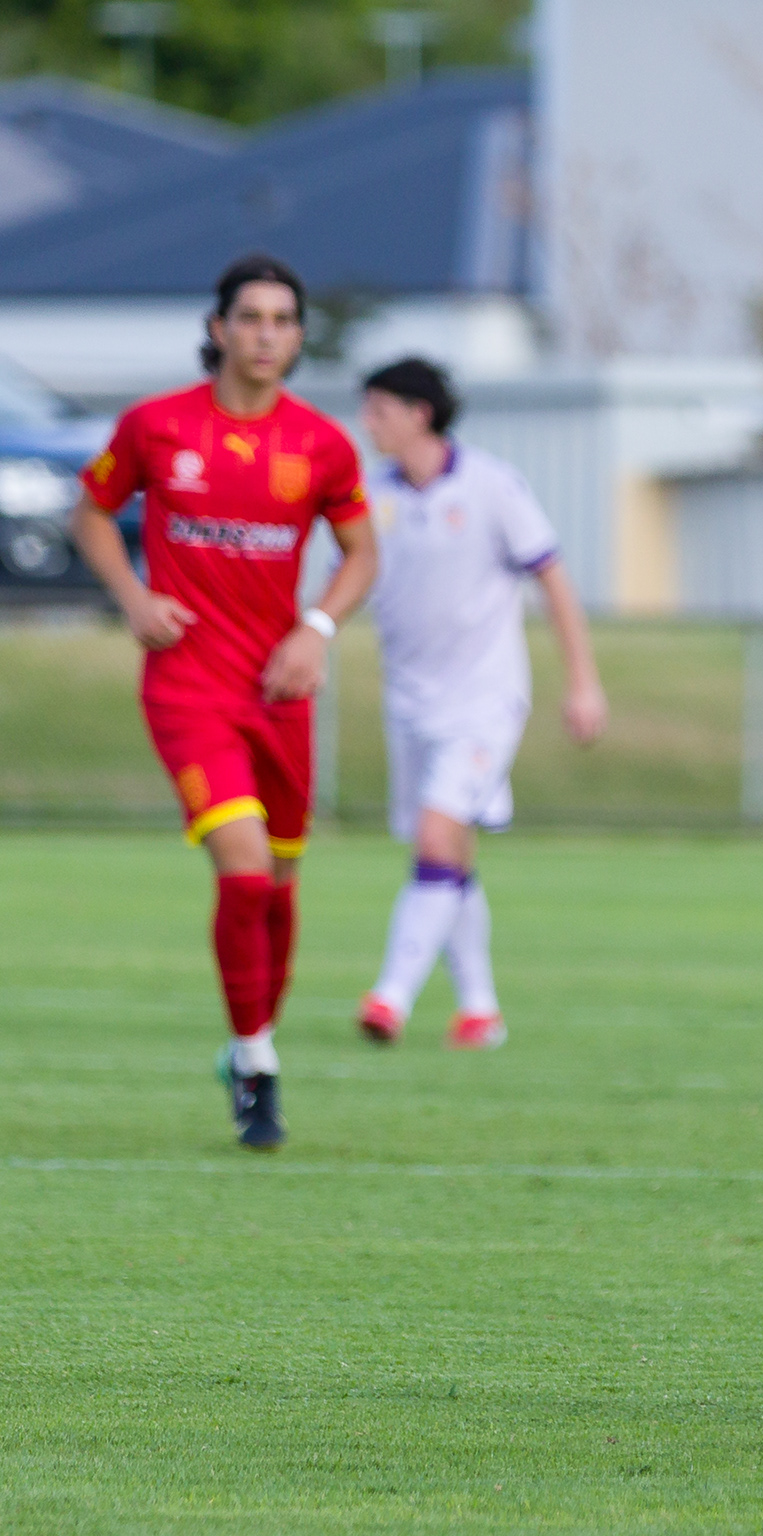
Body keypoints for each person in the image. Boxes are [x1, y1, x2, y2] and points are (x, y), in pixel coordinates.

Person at [68, 252, 376, 1151]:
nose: (266, 334)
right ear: (219, 329)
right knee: (241, 871)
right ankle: (255, 1061)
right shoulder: (157, 426)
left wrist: (316, 627)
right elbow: (90, 512)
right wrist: (133, 598)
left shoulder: (321, 445)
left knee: (276, 889)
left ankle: (253, 1035)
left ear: (299, 336)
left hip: (279, 692)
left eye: (282, 320)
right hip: (188, 687)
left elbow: (362, 552)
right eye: (250, 318)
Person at [353, 357, 606, 1050]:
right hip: (409, 703)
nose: (367, 424)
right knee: (448, 854)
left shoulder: (491, 485)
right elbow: (350, 576)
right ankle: (479, 1011)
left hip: (484, 702)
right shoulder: (372, 495)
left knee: (436, 838)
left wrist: (583, 682)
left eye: (378, 410)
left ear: (419, 414)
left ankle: (390, 997)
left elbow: (553, 579)